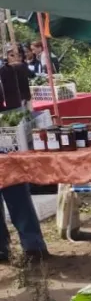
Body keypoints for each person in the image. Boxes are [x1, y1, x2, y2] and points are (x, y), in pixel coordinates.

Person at [0, 44, 49, 263]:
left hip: (7, 139)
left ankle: (32, 246)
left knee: (15, 190)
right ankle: (3, 249)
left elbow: (20, 101)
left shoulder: (9, 71)